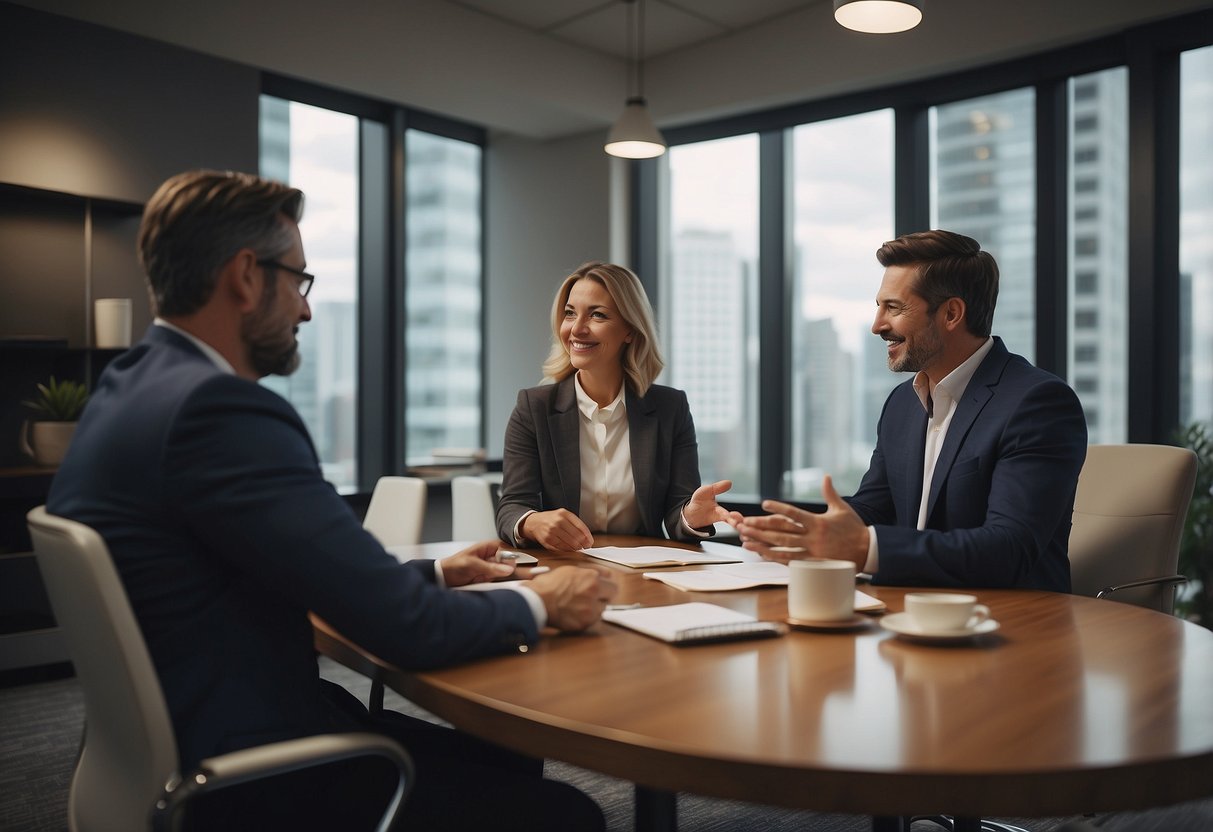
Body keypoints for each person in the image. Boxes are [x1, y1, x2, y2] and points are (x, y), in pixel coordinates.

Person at [47, 170, 615, 831]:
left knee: (507, 757)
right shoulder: (218, 410)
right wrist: (536, 601)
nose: (306, 308)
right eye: (300, 280)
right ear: (245, 276)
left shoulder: (125, 389)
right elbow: (406, 630)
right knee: (567, 816)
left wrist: (434, 572)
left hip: (177, 744)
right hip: (250, 779)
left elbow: (279, 571)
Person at [737, 230, 1087, 591]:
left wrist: (863, 548)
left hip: (1013, 626)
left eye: (894, 307)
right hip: (909, 611)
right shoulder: (902, 403)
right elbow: (875, 508)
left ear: (951, 313)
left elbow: (1008, 550)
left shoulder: (1037, 403)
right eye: (879, 306)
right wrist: (795, 532)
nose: (877, 325)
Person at [496, 261, 741, 551]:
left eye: (597, 315)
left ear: (630, 330)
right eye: (570, 313)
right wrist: (532, 522)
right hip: (563, 568)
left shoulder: (670, 408)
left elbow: (679, 512)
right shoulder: (533, 408)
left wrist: (691, 516)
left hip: (641, 571)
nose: (577, 328)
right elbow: (511, 506)